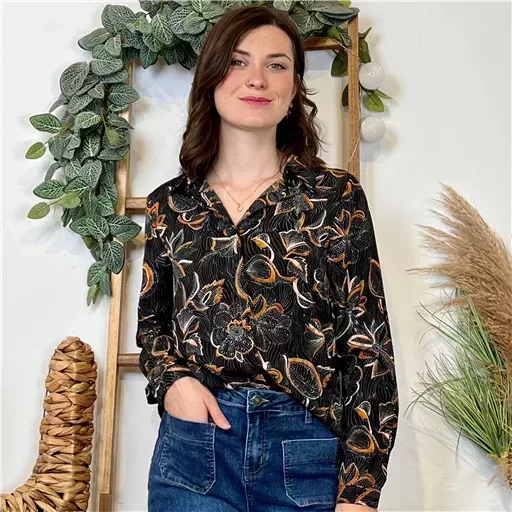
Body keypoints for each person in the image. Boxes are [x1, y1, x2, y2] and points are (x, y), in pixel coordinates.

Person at [136, 5, 399, 512]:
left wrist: (360, 490)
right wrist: (174, 384)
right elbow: (153, 326)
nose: (257, 79)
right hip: (195, 449)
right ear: (212, 78)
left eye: (276, 65)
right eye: (238, 62)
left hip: (304, 452)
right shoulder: (171, 204)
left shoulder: (333, 198)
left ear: (295, 87)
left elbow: (368, 348)